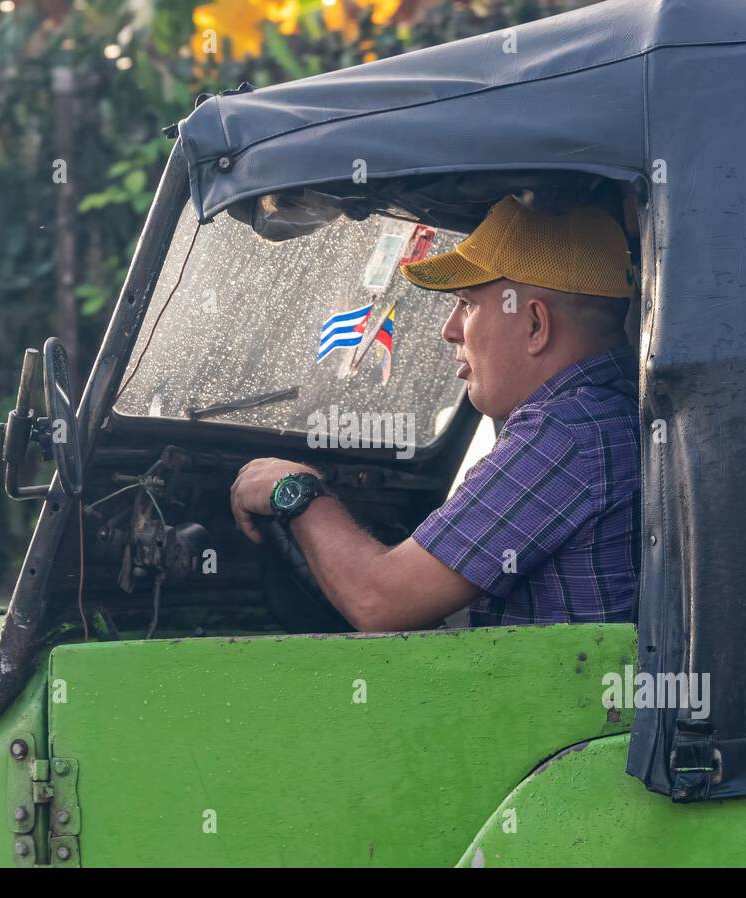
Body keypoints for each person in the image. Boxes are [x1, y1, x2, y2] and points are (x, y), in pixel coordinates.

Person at [230, 196, 641, 631]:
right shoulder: (614, 414)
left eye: (467, 304)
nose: (449, 330)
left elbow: (378, 600)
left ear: (535, 325)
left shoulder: (564, 434)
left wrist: (292, 488)